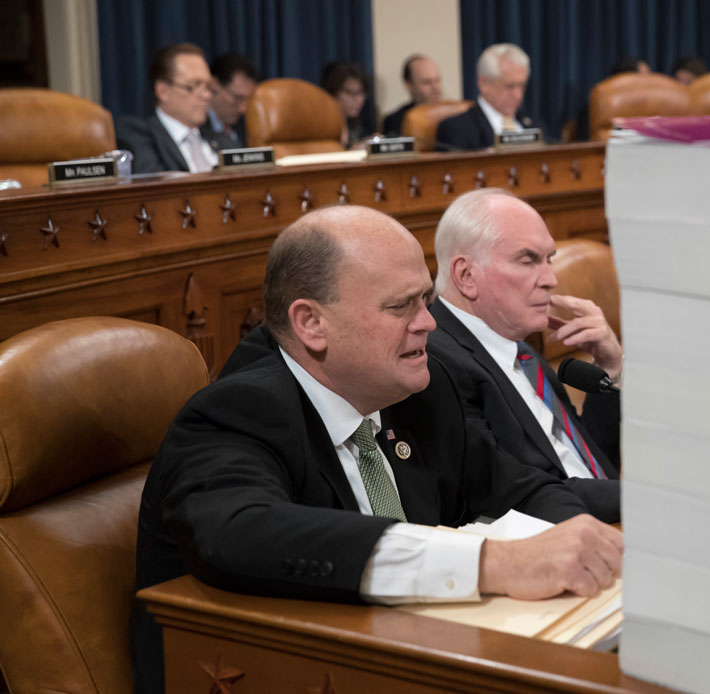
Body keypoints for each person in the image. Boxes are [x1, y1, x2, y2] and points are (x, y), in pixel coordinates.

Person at [132, 204, 622, 693]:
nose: (428, 323)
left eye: (426, 300)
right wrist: (492, 564)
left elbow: (519, 486)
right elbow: (241, 531)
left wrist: (583, 543)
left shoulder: (421, 388)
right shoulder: (238, 410)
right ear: (312, 324)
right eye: (400, 306)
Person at [427, 189, 622, 523]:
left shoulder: (518, 346)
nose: (551, 279)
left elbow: (590, 463)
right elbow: (519, 496)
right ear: (466, 276)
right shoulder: (436, 364)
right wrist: (651, 497)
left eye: (549, 259)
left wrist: (611, 367)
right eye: (528, 260)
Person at [116, 43, 235, 174]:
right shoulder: (137, 134)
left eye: (207, 87)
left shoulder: (222, 140)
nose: (206, 95)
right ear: (163, 91)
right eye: (193, 86)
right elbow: (156, 186)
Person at [436, 43, 535, 150]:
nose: (518, 95)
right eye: (510, 86)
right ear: (484, 83)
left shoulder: (534, 125)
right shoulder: (456, 130)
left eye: (522, 86)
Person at [204, 52, 258, 148]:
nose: (243, 108)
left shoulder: (248, 127)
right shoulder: (196, 129)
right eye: (237, 98)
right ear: (214, 85)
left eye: (248, 100)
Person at [382, 54, 443, 137]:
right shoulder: (395, 121)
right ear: (409, 85)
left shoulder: (456, 115)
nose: (435, 87)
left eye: (437, 80)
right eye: (427, 82)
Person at [321, 60, 372, 148]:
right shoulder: (321, 128)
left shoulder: (357, 128)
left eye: (361, 93)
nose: (358, 100)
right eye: (350, 93)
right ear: (333, 93)